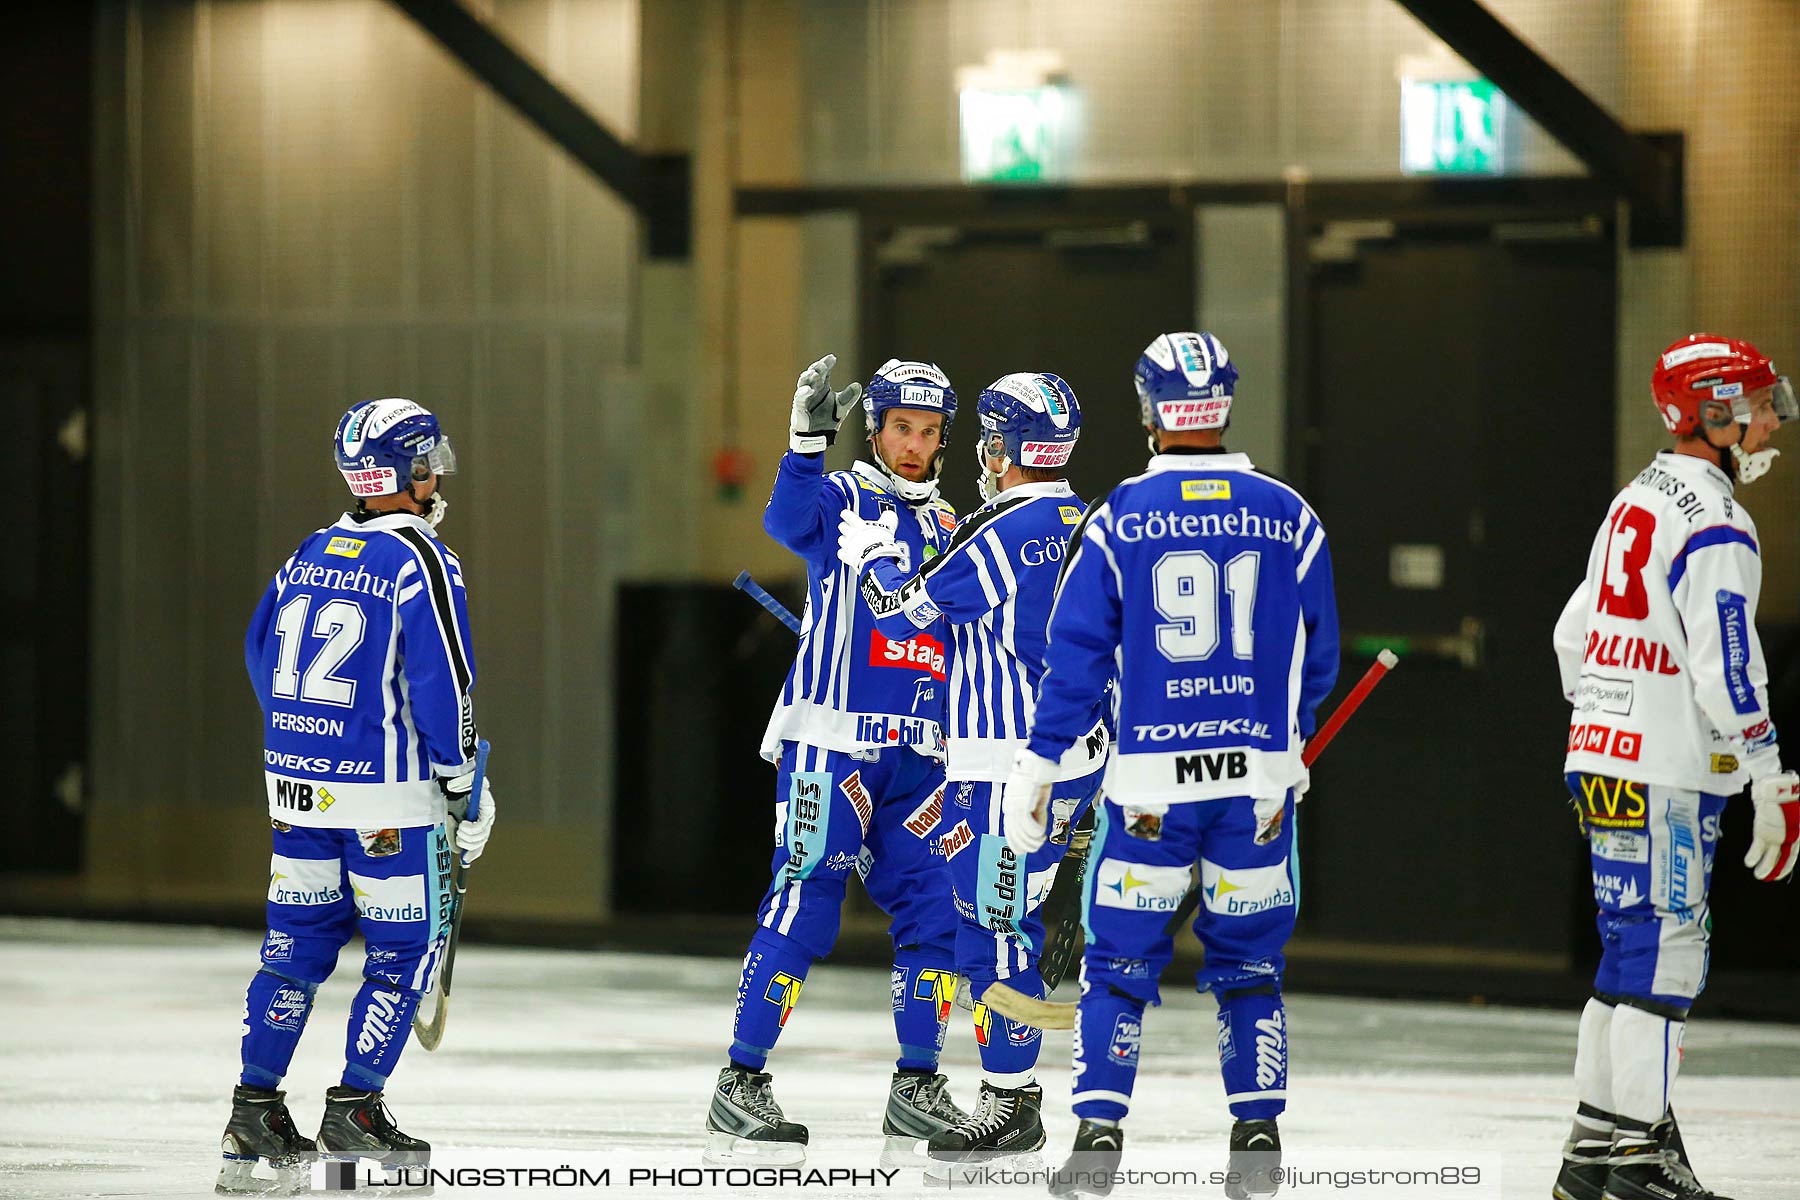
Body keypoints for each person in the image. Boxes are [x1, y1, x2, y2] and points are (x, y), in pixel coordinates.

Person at [1003, 333, 1338, 1200]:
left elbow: (1073, 657)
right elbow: (1320, 657)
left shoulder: (1117, 518)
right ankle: (1256, 1137)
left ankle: (1098, 1137)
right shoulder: (1290, 514)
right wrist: (1285, 746)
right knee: (1250, 967)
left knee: (1118, 963)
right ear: (1225, 400)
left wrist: (1040, 767)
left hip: (1149, 786)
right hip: (1256, 790)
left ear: (1149, 408)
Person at [218, 398, 498, 1194]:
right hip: (387, 801)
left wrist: (297, 739)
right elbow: (445, 683)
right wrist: (464, 783)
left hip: (296, 789)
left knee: (294, 951)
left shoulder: (307, 551)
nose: (437, 472)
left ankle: (255, 1107)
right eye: (428, 459)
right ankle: (356, 1105)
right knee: (402, 951)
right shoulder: (422, 561)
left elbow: (258, 649)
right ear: (408, 471)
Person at [838, 372, 1111, 1171]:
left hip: (1003, 764)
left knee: (990, 930)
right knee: (995, 923)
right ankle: (1012, 1091)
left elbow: (905, 609)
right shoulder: (1090, 522)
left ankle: (1010, 1101)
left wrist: (880, 558)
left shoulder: (1002, 527)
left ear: (1001, 444)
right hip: (1068, 757)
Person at [1549, 334, 1799, 1200]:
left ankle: (1592, 1152)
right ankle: (1634, 1159)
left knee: (1627, 952)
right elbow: (1727, 667)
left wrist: (1609, 715)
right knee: (1667, 957)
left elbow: (1571, 637)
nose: (1772, 419)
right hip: (1665, 772)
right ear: (1713, 412)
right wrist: (1769, 772)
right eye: (1759, 403)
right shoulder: (1718, 519)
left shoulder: (1634, 501)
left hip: (1602, 757)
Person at [704, 355, 970, 1167]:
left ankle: (916, 1085)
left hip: (922, 755)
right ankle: (739, 1081)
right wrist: (803, 443)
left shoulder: (953, 522)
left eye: (927, 433)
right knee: (807, 902)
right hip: (831, 743)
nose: (914, 445)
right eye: (900, 428)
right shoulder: (843, 496)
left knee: (939, 915)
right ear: (876, 427)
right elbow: (786, 524)